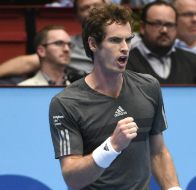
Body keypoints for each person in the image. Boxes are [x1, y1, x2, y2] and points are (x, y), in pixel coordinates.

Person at [49, 4, 182, 190]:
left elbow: (158, 152)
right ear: (93, 44)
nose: (125, 48)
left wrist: (173, 188)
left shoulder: (149, 87)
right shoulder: (65, 103)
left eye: (128, 40)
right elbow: (72, 179)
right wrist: (111, 147)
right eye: (115, 40)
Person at [0, 0, 109, 84]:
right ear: (76, 16)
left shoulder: (125, 41)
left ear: (109, 8)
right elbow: (28, 62)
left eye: (97, 5)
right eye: (85, 8)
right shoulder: (67, 44)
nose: (92, 10)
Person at [127, 1, 196, 84]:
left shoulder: (195, 63)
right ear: (142, 27)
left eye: (169, 25)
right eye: (157, 24)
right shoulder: (124, 64)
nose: (164, 30)